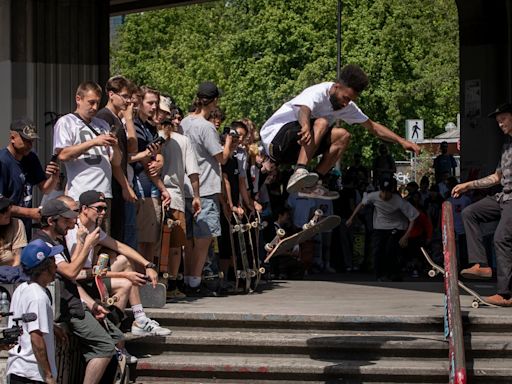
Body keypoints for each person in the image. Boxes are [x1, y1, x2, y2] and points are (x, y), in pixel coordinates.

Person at [260, 64, 420, 197]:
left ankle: (312, 184)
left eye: (350, 100)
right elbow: (304, 109)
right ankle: (300, 171)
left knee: (343, 135)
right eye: (345, 98)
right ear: (337, 87)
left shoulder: (347, 106)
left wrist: (401, 141)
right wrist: (305, 125)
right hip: (275, 139)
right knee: (322, 122)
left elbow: (373, 127)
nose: (346, 104)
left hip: (295, 148)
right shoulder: (318, 91)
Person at [32, 197, 130, 379]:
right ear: (52, 221)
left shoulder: (56, 243)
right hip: (67, 307)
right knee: (105, 348)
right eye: (65, 219)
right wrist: (86, 244)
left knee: (117, 337)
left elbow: (72, 280)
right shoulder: (42, 245)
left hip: (76, 302)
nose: (71, 222)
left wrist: (92, 304)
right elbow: (70, 273)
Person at [66, 190, 171, 335]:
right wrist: (125, 276)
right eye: (99, 209)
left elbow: (119, 246)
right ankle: (119, 333)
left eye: (105, 208)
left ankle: (139, 319)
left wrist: (148, 264)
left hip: (91, 274)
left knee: (124, 260)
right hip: (79, 283)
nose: (103, 213)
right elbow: (75, 274)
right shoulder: (73, 231)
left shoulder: (92, 227)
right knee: (126, 282)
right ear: (84, 209)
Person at [452, 102, 512, 306]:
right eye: (497, 121)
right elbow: (497, 177)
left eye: (503, 119)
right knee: (470, 213)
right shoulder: (506, 145)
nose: (500, 123)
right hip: (503, 197)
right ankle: (482, 265)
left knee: (501, 238)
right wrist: (468, 185)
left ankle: (506, 294)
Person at [181, 81, 235, 296]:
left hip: (186, 185)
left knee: (188, 241)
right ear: (214, 101)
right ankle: (195, 282)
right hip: (205, 187)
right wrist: (229, 141)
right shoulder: (206, 127)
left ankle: (187, 278)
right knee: (204, 240)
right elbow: (221, 157)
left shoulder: (184, 122)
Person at [53, 81, 122, 234]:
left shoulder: (102, 124)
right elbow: (63, 154)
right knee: (80, 238)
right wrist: (93, 142)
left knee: (102, 241)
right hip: (80, 193)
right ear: (79, 99)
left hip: (104, 193)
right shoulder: (66, 122)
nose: (95, 107)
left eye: (98, 103)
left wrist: (115, 146)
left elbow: (116, 162)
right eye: (91, 102)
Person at [6, 239, 64, 384]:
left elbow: (26, 322)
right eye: (52, 260)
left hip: (17, 370)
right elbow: (36, 338)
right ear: (44, 267)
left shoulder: (22, 288)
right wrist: (49, 375)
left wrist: (50, 326)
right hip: (32, 375)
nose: (56, 266)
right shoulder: (38, 297)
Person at [159, 117, 201, 298]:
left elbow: (192, 171)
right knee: (175, 245)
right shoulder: (182, 140)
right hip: (172, 194)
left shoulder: (156, 136)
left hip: (161, 193)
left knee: (163, 244)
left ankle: (164, 282)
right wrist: (196, 196)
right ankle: (170, 283)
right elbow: (193, 171)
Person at [347, 178, 419, 281]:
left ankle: (393, 273)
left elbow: (413, 218)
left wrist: (405, 236)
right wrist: (351, 218)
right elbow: (361, 204)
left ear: (392, 191)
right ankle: (379, 275)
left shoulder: (399, 201)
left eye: (388, 192)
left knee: (390, 249)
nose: (385, 195)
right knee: (377, 251)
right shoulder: (373, 196)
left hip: (396, 227)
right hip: (380, 227)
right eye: (383, 192)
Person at [96, 75, 138, 242]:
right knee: (111, 234)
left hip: (119, 183)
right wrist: (125, 186)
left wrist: (128, 119)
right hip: (112, 183)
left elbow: (132, 148)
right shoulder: (104, 118)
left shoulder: (118, 120)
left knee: (120, 233)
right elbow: (111, 158)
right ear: (111, 94)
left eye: (129, 97)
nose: (128, 101)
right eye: (125, 96)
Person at [0, 119, 60, 237]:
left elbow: (45, 188)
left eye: (32, 141)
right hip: (5, 227)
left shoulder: (30, 157)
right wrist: (30, 213)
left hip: (24, 227)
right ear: (12, 137)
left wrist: (54, 177)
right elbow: (0, 203)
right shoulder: (2, 161)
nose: (30, 145)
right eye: (26, 140)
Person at [0, 195, 27, 266]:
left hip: (9, 274)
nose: (7, 212)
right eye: (2, 210)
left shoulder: (16, 224)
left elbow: (17, 258)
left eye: (8, 207)